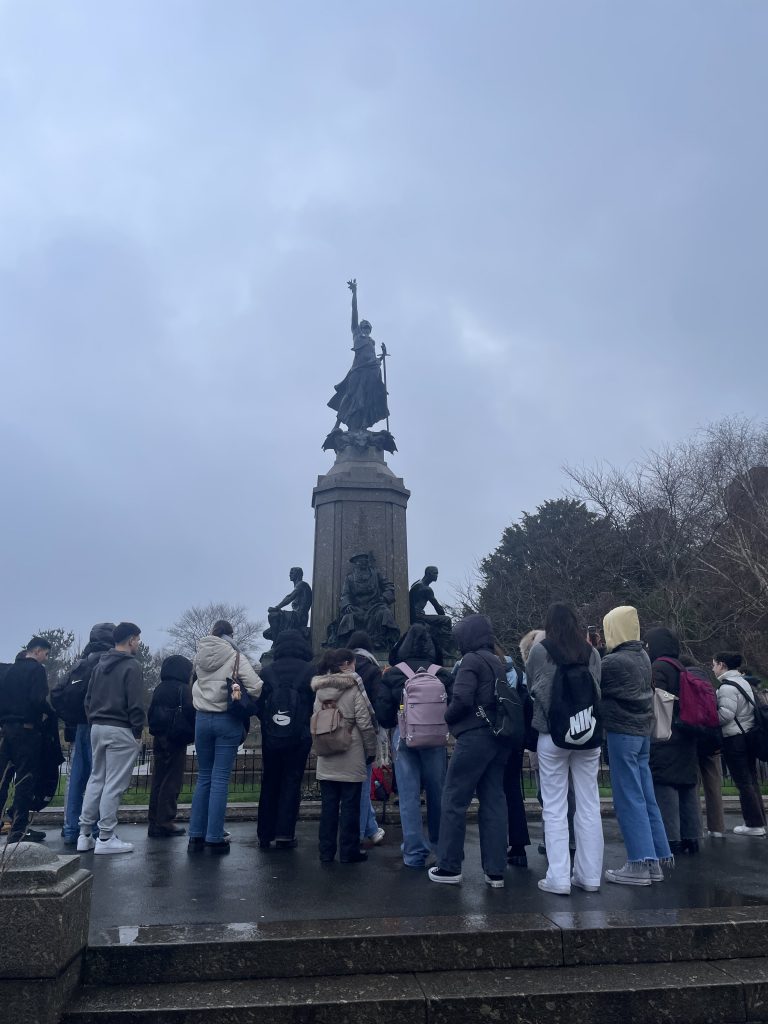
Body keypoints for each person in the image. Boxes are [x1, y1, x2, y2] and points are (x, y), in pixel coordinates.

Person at [526, 604, 603, 895]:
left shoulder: (540, 650)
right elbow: (597, 689)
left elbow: (535, 687)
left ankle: (558, 876)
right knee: (588, 803)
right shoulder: (591, 653)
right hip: (587, 733)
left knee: (555, 806)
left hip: (552, 734)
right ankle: (590, 875)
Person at [428, 614, 509, 889]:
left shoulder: (471, 661)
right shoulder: (496, 661)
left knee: (453, 798)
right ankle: (495, 871)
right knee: (493, 801)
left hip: (474, 736)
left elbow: (462, 698)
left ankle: (449, 866)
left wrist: (448, 718)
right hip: (497, 737)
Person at [600, 606, 672, 885]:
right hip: (642, 734)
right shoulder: (643, 655)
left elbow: (595, 686)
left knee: (628, 797)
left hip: (622, 733)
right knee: (645, 795)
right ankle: (655, 860)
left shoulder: (613, 662)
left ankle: (639, 863)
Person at [375, 623, 453, 867]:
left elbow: (384, 714)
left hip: (405, 735)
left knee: (408, 796)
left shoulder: (394, 674)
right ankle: (441, 848)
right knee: (437, 793)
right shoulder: (442, 673)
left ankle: (414, 852)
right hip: (435, 737)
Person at [188, 620, 262, 854]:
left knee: (204, 778)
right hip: (226, 719)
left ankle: (195, 835)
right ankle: (214, 836)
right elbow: (257, 687)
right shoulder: (235, 656)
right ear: (230, 635)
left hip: (201, 719)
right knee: (220, 779)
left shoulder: (198, 655)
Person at [78, 623, 146, 855]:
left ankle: (84, 834)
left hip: (97, 726)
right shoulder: (131, 666)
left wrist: (93, 720)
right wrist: (137, 731)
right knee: (114, 784)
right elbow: (136, 703)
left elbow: (88, 699)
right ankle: (106, 836)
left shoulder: (99, 665)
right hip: (120, 728)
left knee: (96, 779)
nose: (138, 643)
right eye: (137, 639)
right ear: (129, 640)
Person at [51, 622, 115, 845]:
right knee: (100, 777)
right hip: (101, 723)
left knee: (76, 777)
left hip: (79, 726)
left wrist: (70, 717)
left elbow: (57, 693)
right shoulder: (110, 662)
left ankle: (70, 828)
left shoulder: (80, 663)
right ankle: (95, 830)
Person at [311, 648, 376, 863]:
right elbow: (365, 724)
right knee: (350, 806)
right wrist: (371, 751)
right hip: (351, 750)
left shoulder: (319, 691)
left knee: (328, 806)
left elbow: (316, 719)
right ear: (347, 664)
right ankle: (349, 852)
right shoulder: (354, 687)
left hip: (327, 751)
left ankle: (326, 851)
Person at [256, 630, 315, 849]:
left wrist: (268, 723)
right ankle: (284, 833)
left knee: (270, 781)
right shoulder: (310, 671)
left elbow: (259, 704)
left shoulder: (267, 671)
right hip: (299, 735)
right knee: (292, 781)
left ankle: (264, 834)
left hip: (271, 736)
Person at [646, 628, 700, 855]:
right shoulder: (681, 667)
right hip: (686, 734)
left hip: (667, 735)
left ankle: (671, 839)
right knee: (687, 787)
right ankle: (692, 837)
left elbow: (657, 701)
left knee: (666, 786)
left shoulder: (658, 667)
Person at [0, 637, 52, 844]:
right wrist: (51, 712)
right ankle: (18, 828)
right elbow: (38, 700)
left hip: (6, 730)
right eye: (46, 654)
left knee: (3, 779)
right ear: (37, 651)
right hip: (27, 731)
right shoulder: (36, 670)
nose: (46, 659)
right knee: (24, 780)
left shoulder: (9, 670)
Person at [714, 652, 766, 836]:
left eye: (714, 664)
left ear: (722, 665)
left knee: (743, 782)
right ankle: (758, 820)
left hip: (734, 738)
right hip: (748, 735)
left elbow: (726, 715)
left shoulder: (727, 687)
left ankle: (753, 824)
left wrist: (711, 718)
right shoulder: (744, 682)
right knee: (751, 780)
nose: (713, 668)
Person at [327, 278, 389, 431]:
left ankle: (363, 426)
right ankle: (337, 425)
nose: (366, 329)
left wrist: (381, 357)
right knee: (349, 395)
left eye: (368, 327)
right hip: (357, 370)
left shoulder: (372, 341)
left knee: (367, 399)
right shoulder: (356, 334)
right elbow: (354, 312)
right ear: (360, 327)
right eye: (364, 326)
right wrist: (354, 293)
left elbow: (372, 358)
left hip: (371, 370)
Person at [147, 655, 195, 838]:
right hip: (176, 737)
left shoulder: (160, 688)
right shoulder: (183, 689)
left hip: (159, 735)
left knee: (158, 778)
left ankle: (154, 820)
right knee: (172, 780)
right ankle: (166, 821)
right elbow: (191, 711)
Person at [348, 630, 385, 847]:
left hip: (340, 732)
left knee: (348, 784)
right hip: (364, 733)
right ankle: (358, 834)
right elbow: (379, 703)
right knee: (362, 784)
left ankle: (370, 828)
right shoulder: (372, 669)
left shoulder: (338, 668)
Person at [501, 652, 531, 868]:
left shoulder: (482, 669)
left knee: (492, 792)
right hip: (516, 737)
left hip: (494, 737)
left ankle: (496, 844)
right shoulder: (518, 674)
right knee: (512, 790)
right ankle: (519, 847)